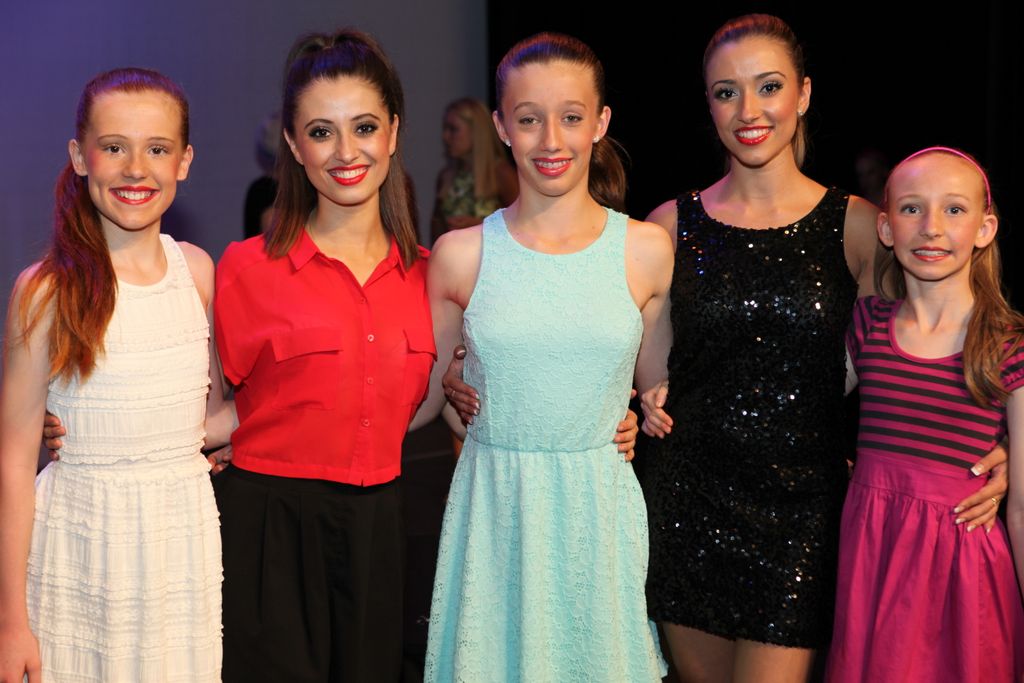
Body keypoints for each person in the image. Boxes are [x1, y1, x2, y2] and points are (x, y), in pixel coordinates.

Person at [636, 15, 1008, 682]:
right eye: (726, 92)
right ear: (708, 105)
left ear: (803, 93)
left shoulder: (860, 225)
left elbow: (928, 343)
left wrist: (1001, 442)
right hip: (688, 506)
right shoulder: (667, 226)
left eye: (768, 86)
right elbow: (641, 380)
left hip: (802, 517)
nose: (749, 111)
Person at [424, 32, 672, 681]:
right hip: (495, 511)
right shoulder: (460, 255)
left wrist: (639, 414)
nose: (551, 140)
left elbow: (659, 390)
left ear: (601, 123)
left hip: (600, 515)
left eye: (571, 116)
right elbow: (431, 394)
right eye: (530, 119)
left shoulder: (646, 250)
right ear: (501, 126)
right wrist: (454, 396)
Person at [211, 29, 434, 683]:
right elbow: (203, 408)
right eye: (320, 132)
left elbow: (463, 397)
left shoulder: (433, 275)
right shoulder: (244, 269)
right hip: (267, 529)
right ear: (292, 143)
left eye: (364, 127)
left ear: (393, 131)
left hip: (382, 527)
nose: (346, 152)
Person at [0, 68, 232, 683]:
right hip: (79, 552)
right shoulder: (44, 291)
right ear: (80, 157)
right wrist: (10, 623)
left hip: (178, 551)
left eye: (156, 149)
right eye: (113, 147)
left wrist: (243, 430)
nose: (136, 169)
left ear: (184, 162)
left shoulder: (197, 272)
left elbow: (207, 414)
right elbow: (13, 462)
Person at [828, 147, 1024, 682]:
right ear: (886, 228)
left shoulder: (1007, 346)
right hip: (873, 563)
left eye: (954, 209)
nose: (931, 227)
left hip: (964, 578)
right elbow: (795, 412)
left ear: (984, 229)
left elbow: (1022, 512)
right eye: (912, 208)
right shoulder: (867, 324)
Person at [429, 97, 517, 244]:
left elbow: (522, 225)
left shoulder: (501, 173)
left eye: (453, 129)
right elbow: (436, 228)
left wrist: (480, 226)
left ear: (476, 132)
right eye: (445, 129)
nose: (445, 137)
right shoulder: (446, 176)